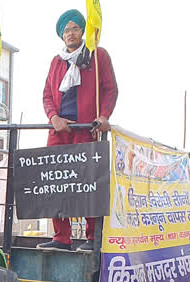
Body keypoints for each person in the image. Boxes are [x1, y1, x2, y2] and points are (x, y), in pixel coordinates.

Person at [37, 8, 118, 252]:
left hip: (87, 129)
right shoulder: (56, 61)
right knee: (56, 181)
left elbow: (110, 89)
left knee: (89, 181)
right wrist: (53, 117)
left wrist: (104, 116)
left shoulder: (97, 55)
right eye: (66, 30)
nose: (70, 33)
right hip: (60, 131)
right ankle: (61, 237)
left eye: (75, 28)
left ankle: (93, 236)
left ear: (83, 31)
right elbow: (47, 95)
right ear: (61, 35)